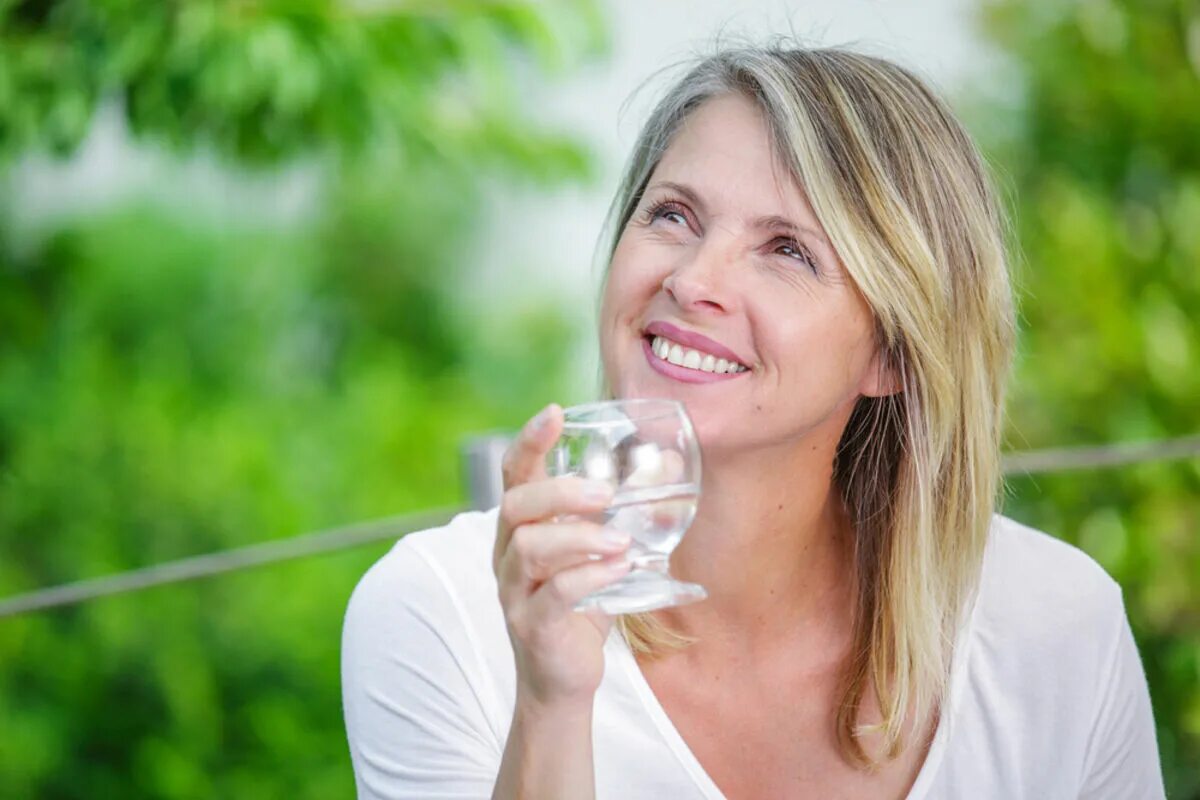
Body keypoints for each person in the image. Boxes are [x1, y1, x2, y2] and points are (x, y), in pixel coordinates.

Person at [341, 42, 1166, 799]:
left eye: (788, 251)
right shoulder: (441, 611)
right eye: (673, 215)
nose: (694, 280)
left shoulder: (1058, 627)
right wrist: (553, 705)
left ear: (895, 356)